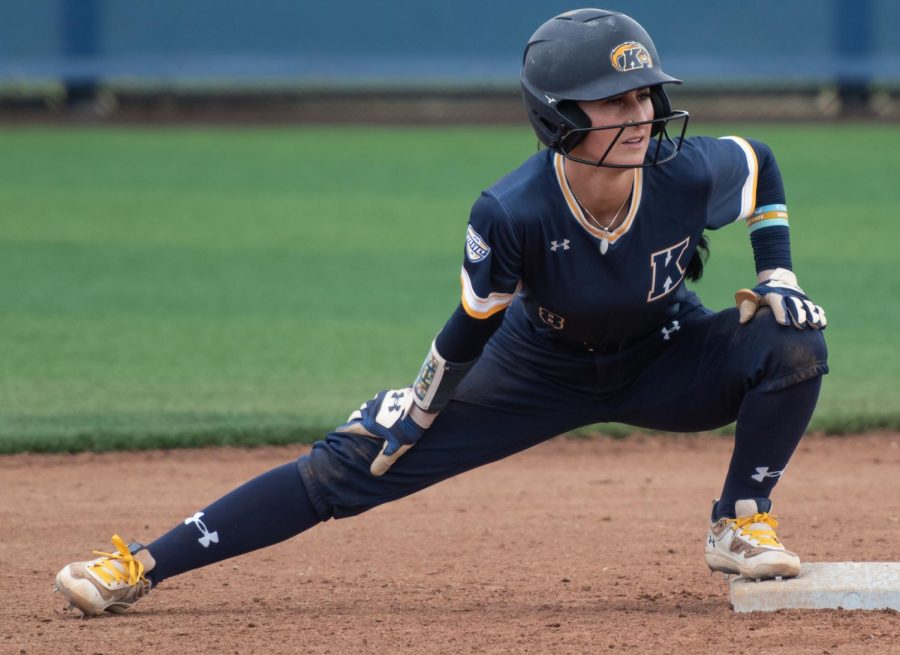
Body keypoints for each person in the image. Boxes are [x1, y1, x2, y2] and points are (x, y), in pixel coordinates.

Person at [55, 8, 828, 616]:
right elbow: (469, 328)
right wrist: (418, 411)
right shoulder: (513, 210)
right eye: (612, 101)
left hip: (667, 355)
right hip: (538, 367)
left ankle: (739, 520)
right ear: (558, 116)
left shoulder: (683, 170)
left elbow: (760, 164)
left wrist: (779, 273)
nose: (639, 114)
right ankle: (142, 563)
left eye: (643, 96)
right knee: (349, 465)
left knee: (792, 335)